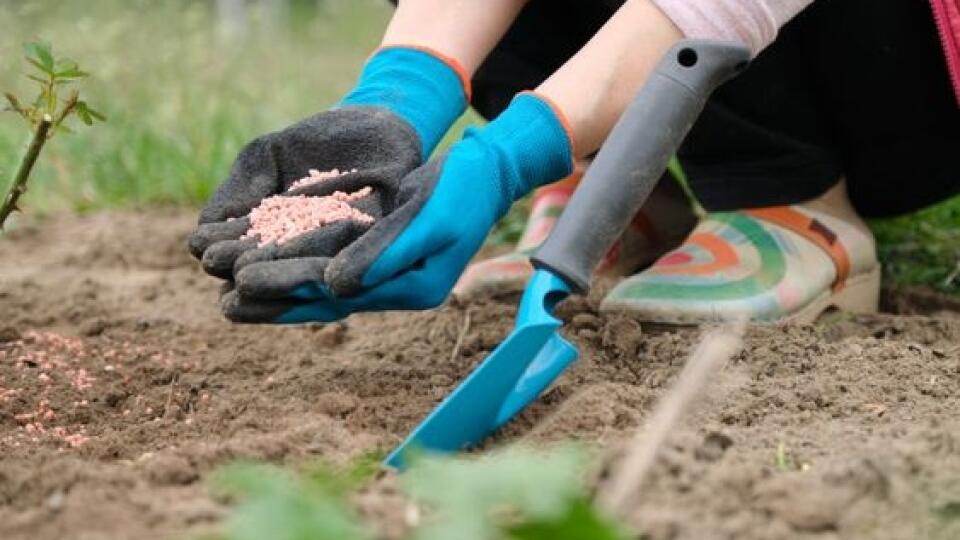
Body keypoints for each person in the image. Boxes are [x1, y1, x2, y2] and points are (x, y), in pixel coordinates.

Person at [189, 0, 960, 325]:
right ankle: (623, 183)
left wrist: (511, 153)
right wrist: (397, 97)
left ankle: (791, 196)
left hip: (898, 72)